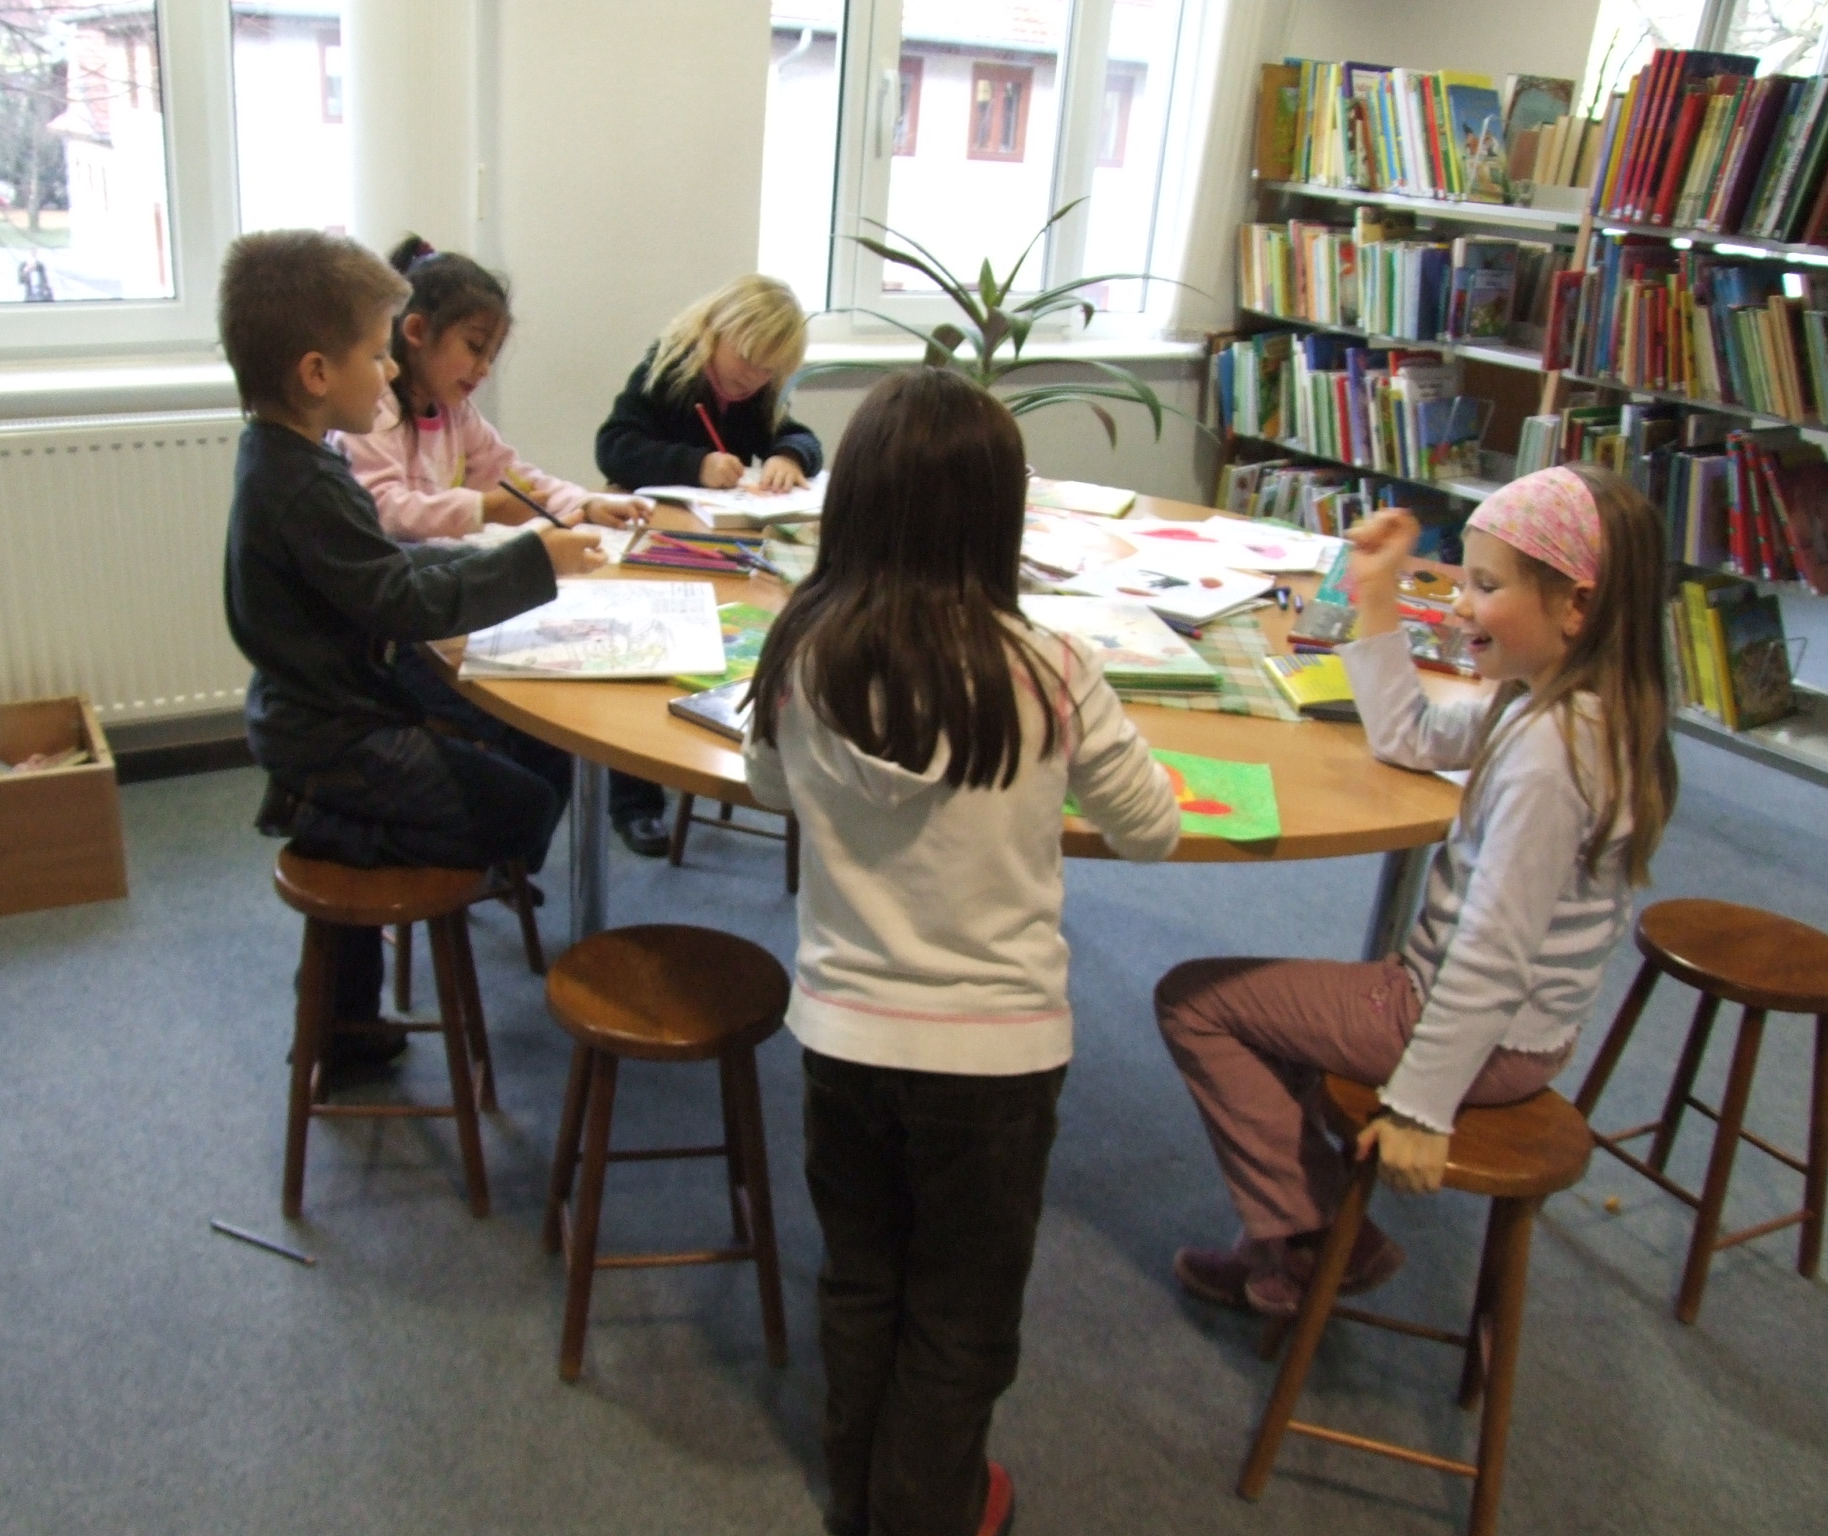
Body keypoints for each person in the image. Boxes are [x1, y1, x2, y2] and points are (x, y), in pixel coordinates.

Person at [743, 369, 1181, 1536]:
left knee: (861, 1279)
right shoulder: (1050, 667)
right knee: (961, 1312)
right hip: (995, 1054)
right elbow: (1150, 830)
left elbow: (766, 786)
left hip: (843, 1034)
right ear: (998, 514)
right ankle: (924, 1513)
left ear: (852, 505)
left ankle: (861, 1496)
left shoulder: (801, 652)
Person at [1156, 463, 1677, 1316]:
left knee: (1194, 1003)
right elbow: (1410, 735)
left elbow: (1492, 953)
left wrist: (1420, 1110)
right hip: (1515, 1024)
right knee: (1274, 1020)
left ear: (1576, 608)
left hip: (1475, 1022)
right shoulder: (1558, 704)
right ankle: (1289, 1242)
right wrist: (1377, 594)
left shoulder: (1551, 757)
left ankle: (1321, 1238)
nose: (1462, 606)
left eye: (1486, 587)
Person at [220, 228, 604, 1046]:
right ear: (316, 374)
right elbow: (400, 599)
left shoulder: (291, 461)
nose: (390, 369)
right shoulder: (307, 486)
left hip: (320, 712)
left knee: (509, 769)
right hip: (333, 735)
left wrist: (507, 553)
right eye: (374, 354)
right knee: (526, 807)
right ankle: (327, 820)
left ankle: (343, 1023)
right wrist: (533, 561)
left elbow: (386, 573)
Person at [338, 236, 672, 857]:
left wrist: (585, 503)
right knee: (534, 730)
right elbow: (382, 509)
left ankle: (506, 853)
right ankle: (490, 849)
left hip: (448, 606)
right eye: (474, 348)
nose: (484, 369)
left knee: (551, 727)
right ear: (417, 332)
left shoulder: (455, 411)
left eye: (491, 355)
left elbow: (514, 475)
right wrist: (481, 508)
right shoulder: (373, 411)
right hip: (400, 634)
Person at [595, 273, 822, 494]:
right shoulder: (666, 372)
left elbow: (800, 438)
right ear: (714, 329)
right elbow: (613, 449)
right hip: (650, 509)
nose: (753, 376)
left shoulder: (759, 396)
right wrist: (697, 466)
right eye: (745, 357)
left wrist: (789, 457)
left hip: (717, 514)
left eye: (768, 369)